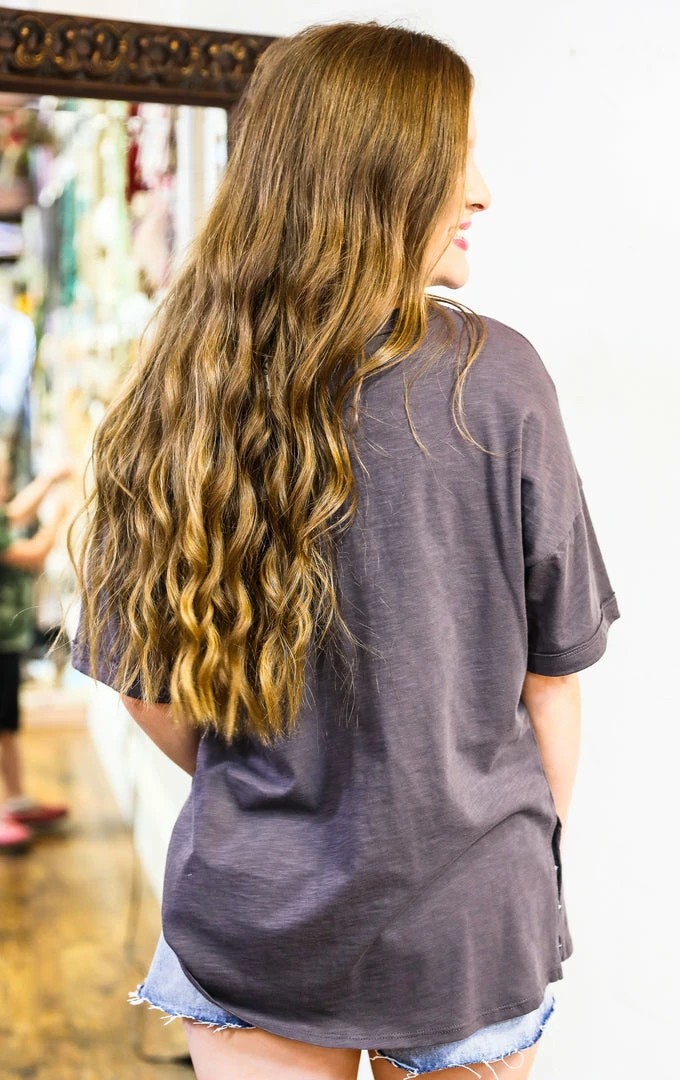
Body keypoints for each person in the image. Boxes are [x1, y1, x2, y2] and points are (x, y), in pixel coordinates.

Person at [67, 22, 620, 1080]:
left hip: (254, 913)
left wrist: (288, 797)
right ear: (371, 175)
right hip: (469, 924)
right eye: (454, 158)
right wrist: (489, 846)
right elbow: (553, 681)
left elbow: (149, 690)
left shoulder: (186, 382)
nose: (482, 192)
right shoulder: (500, 380)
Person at [0, 453, 73, 852]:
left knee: (7, 726)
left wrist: (48, 478)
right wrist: (57, 519)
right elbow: (31, 556)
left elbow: (14, 512)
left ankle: (14, 801)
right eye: (2, 480)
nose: (7, 488)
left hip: (5, 644)